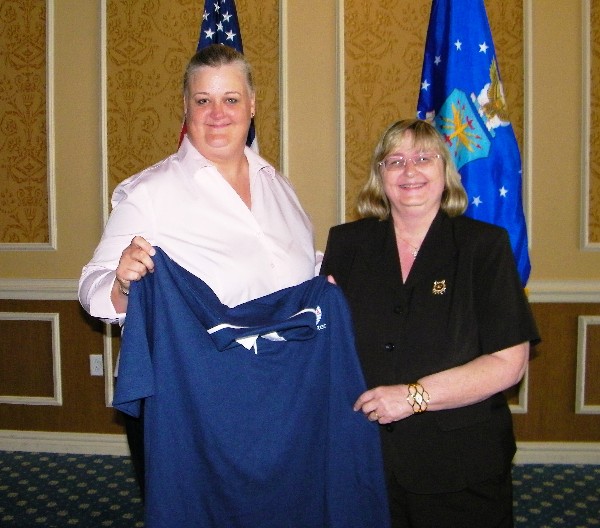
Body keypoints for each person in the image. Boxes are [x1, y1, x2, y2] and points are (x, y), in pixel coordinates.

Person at [79, 44, 318, 496]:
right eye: (202, 100)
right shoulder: (150, 192)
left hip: (279, 395)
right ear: (185, 109)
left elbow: (298, 267)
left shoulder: (279, 186)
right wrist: (122, 281)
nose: (217, 113)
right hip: (193, 402)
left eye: (230, 99)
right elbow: (92, 289)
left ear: (252, 105)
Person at [320, 118, 540, 528]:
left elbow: (509, 363)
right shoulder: (347, 245)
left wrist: (413, 397)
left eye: (424, 158)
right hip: (364, 457)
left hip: (461, 463)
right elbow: (325, 346)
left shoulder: (484, 247)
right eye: (395, 160)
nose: (410, 171)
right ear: (379, 174)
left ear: (445, 171)